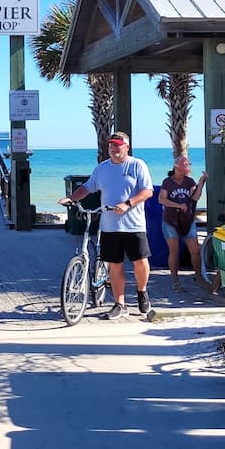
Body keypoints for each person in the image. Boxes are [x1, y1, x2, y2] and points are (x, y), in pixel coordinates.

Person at [57, 131, 153, 320]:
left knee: (140, 262)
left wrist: (128, 204)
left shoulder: (137, 165)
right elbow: (87, 187)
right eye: (111, 145)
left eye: (117, 145)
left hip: (133, 225)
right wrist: (71, 198)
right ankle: (120, 304)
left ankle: (142, 292)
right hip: (109, 226)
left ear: (126, 147)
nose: (113, 149)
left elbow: (147, 191)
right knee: (114, 266)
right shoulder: (102, 168)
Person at [157, 155, 209, 292]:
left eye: (189, 164)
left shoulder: (189, 181)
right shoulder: (168, 182)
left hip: (187, 220)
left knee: (195, 250)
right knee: (174, 251)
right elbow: (161, 200)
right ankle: (175, 280)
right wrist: (177, 205)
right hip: (171, 221)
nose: (188, 167)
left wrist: (201, 182)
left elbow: (195, 197)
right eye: (186, 164)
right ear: (177, 166)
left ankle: (198, 276)